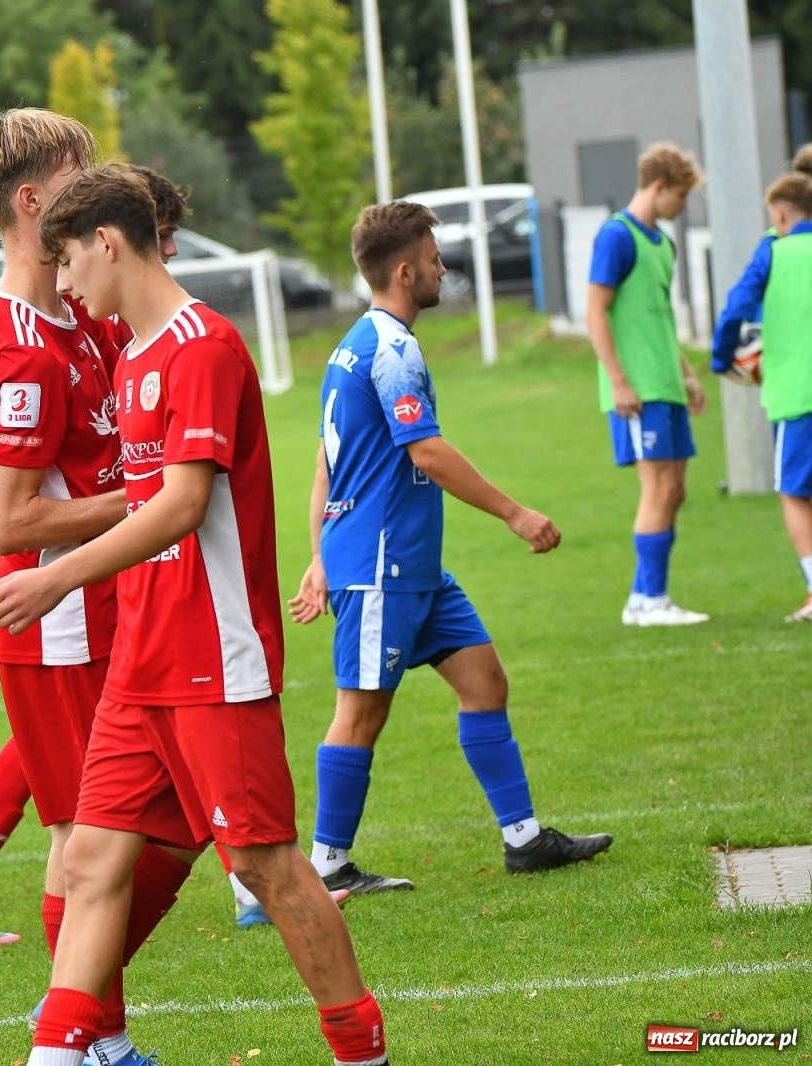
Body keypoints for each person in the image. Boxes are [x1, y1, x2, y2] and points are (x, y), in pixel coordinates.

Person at [0, 166, 389, 1066]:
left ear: (107, 243)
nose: (64, 282)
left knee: (266, 868)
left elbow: (175, 506)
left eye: (68, 261)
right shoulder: (130, 357)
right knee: (90, 864)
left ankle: (361, 1050)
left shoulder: (201, 347)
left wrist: (56, 578)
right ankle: (62, 1057)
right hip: (142, 660)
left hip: (215, 658)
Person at [0, 112, 199, 1066]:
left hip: (110, 609)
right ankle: (92, 1041)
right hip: (57, 624)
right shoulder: (20, 347)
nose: (99, 180)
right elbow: (10, 524)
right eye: (77, 170)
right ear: (31, 201)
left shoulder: (72, 317)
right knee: (86, 843)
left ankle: (89, 1033)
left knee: (144, 832)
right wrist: (147, 499)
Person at [285, 200, 614, 897]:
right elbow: (427, 451)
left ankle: (524, 841)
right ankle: (326, 864)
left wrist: (319, 555)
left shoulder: (354, 343)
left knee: (484, 681)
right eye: (434, 260)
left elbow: (327, 463)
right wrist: (515, 513)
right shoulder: (390, 349)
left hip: (412, 568)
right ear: (405, 271)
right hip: (381, 565)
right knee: (361, 712)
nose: (442, 269)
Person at [584, 143, 710, 626]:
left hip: (666, 383)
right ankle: (650, 600)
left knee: (674, 489)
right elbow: (596, 311)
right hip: (638, 388)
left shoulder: (664, 243)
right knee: (657, 488)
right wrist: (618, 381)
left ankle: (644, 598)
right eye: (680, 196)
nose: (681, 207)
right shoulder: (616, 237)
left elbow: (657, 319)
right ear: (659, 188)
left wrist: (686, 373)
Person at [710, 171, 812, 622]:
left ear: (780, 213)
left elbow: (736, 307)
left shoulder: (775, 251)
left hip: (798, 392)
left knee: (794, 492)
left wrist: (722, 356)